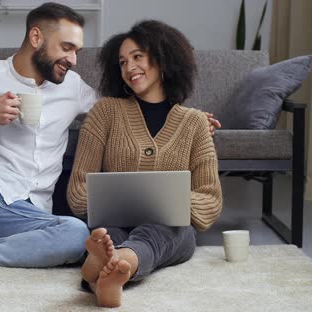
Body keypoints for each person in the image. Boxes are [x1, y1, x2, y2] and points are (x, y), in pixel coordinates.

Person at [0, 2, 220, 269]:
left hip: (34, 216)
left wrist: (187, 117)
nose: (73, 60)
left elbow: (125, 110)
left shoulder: (73, 87)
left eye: (77, 52)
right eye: (66, 48)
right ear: (36, 37)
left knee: (75, 235)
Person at [67, 20, 223, 307]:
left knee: (165, 232)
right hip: (111, 222)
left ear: (164, 58)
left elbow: (210, 198)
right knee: (107, 235)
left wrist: (168, 202)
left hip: (170, 228)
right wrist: (114, 201)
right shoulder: (105, 112)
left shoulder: (194, 123)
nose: (129, 67)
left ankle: (104, 269)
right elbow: (78, 189)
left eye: (138, 57)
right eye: (123, 61)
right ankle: (112, 271)